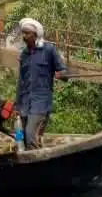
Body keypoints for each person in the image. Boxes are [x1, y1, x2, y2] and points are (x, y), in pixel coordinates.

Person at [15, 17, 68, 149]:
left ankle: (33, 165)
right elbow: (21, 82)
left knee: (30, 134)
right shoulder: (24, 55)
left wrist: (61, 74)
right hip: (25, 103)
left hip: (41, 103)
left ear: (35, 34)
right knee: (19, 134)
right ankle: (24, 159)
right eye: (23, 33)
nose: (24, 36)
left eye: (27, 33)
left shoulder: (48, 50)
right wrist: (17, 105)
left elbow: (64, 72)